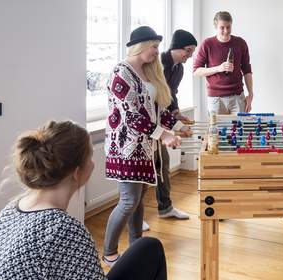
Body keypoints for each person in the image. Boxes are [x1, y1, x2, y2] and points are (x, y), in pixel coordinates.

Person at [0, 120, 167, 280]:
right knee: (149, 248)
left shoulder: (13, 208)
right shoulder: (63, 230)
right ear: (77, 172)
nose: (93, 163)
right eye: (90, 157)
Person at [103, 26, 181, 266]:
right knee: (128, 201)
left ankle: (135, 249)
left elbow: (155, 111)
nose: (158, 53)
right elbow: (131, 116)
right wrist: (163, 136)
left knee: (137, 202)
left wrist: (177, 127)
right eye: (154, 47)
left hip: (145, 148)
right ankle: (109, 253)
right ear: (140, 46)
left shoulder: (147, 72)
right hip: (125, 147)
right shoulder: (121, 72)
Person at [141, 29, 198, 231]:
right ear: (177, 47)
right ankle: (135, 218)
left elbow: (170, 94)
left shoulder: (179, 69)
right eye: (188, 51)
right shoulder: (156, 64)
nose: (189, 56)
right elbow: (151, 98)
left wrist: (176, 113)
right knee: (145, 171)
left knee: (162, 165)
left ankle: (165, 208)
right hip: (147, 124)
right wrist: (171, 124)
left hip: (161, 122)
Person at [193, 11, 254, 114]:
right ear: (216, 26)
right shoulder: (207, 44)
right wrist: (218, 68)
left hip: (238, 97)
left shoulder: (240, 43)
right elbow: (196, 71)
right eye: (222, 27)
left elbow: (247, 70)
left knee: (240, 130)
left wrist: (251, 94)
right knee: (217, 130)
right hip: (215, 99)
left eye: (228, 27)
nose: (226, 31)